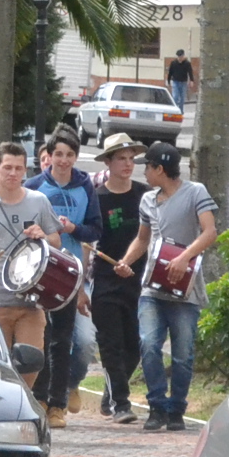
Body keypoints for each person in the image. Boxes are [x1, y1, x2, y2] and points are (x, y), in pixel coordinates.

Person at [139, 141, 220, 432]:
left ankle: (176, 410)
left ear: (160, 169)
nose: (144, 173)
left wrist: (185, 257)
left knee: (183, 355)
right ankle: (156, 406)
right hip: (152, 288)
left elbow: (210, 231)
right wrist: (125, 261)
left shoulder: (196, 192)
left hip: (185, 290)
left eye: (147, 167)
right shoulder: (147, 200)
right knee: (149, 344)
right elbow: (142, 239)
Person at [0, 143, 62, 362]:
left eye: (18, 168)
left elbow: (56, 241)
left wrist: (43, 237)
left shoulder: (39, 201)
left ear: (25, 170)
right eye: (7, 167)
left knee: (31, 362)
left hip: (31, 299)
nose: (13, 173)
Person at [25, 129, 99, 424]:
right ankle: (39, 398)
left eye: (69, 155)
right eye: (58, 154)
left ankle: (58, 404)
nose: (64, 160)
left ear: (76, 157)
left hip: (71, 271)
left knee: (63, 339)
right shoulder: (34, 186)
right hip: (38, 270)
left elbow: (95, 229)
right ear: (49, 156)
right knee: (41, 336)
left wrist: (73, 229)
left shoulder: (85, 187)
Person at [83, 133, 152, 424]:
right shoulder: (97, 198)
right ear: (108, 162)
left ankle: (110, 395)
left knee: (136, 345)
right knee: (110, 343)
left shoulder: (145, 195)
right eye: (121, 159)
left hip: (138, 280)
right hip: (105, 280)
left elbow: (151, 236)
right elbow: (87, 241)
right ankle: (121, 403)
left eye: (131, 159)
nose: (127, 164)